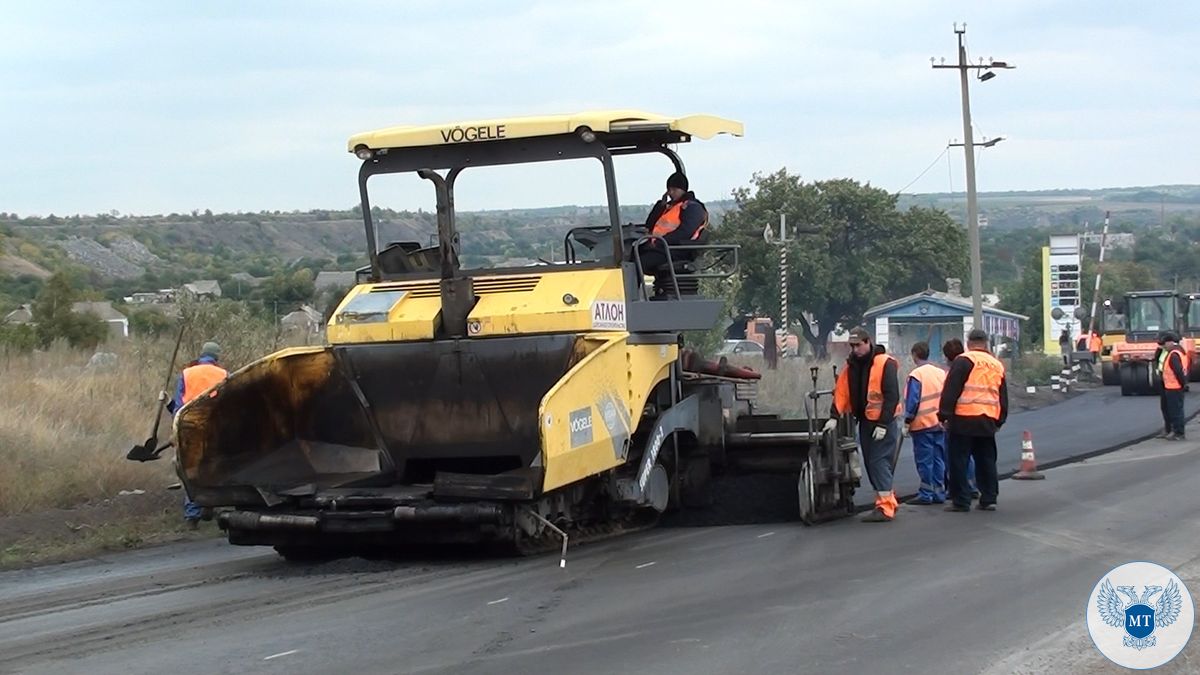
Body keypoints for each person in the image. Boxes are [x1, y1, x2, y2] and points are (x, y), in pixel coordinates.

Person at [823, 327, 902, 522]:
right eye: (852, 346)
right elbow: (842, 391)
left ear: (868, 342)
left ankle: (885, 507)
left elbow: (892, 396)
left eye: (858, 345)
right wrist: (834, 416)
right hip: (866, 422)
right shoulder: (851, 366)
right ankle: (887, 501)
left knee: (878, 461)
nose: (855, 349)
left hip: (883, 422)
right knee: (871, 462)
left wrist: (883, 424)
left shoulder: (885, 363)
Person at [159, 341, 228, 528]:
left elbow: (179, 408)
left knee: (191, 470)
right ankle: (212, 505)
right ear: (216, 357)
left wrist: (172, 417)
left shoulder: (186, 374)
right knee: (215, 468)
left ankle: (192, 515)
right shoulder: (223, 375)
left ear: (201, 356)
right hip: (214, 428)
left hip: (190, 427)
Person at [939, 328, 1008, 512]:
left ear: (969, 343)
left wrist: (944, 415)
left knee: (959, 460)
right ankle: (989, 498)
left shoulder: (964, 361)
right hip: (987, 420)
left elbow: (951, 390)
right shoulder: (996, 364)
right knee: (986, 459)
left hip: (964, 419)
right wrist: (1000, 420)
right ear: (985, 343)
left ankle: (961, 500)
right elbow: (1002, 396)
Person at [636, 172, 709, 295]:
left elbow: (686, 232)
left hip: (678, 250)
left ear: (682, 189)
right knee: (631, 255)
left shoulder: (692, 207)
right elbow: (650, 224)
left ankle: (631, 296)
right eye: (669, 190)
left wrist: (661, 241)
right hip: (663, 247)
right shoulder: (670, 207)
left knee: (640, 262)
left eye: (674, 189)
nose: (670, 193)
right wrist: (661, 205)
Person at [902, 342, 946, 505]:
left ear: (914, 354)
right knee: (938, 459)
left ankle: (926, 494)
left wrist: (907, 421)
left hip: (922, 425)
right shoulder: (940, 373)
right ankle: (939, 493)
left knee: (924, 461)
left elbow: (912, 401)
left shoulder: (916, 375)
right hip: (939, 423)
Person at [941, 338, 978, 499]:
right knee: (971, 456)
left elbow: (949, 395)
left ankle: (960, 492)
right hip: (978, 417)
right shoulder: (973, 368)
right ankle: (973, 486)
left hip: (959, 419)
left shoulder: (953, 372)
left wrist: (944, 417)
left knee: (956, 458)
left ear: (947, 358)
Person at [1156, 331, 1188, 441]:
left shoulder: (1174, 355)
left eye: (1164, 344)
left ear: (1170, 342)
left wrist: (1183, 384)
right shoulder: (1175, 351)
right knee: (1173, 410)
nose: (1163, 346)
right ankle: (1175, 431)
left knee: (1176, 411)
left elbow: (1178, 372)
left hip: (1174, 387)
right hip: (1171, 386)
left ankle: (1178, 433)